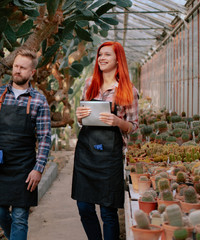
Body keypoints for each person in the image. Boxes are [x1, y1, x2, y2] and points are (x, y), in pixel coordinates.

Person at [0, 49, 51, 240]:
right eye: (16, 66)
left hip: (25, 166)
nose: (17, 71)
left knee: (19, 217)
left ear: (31, 72)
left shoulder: (39, 101)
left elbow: (44, 139)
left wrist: (38, 168)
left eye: (23, 68)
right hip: (0, 164)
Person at [72, 41, 139, 240]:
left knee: (108, 213)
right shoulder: (89, 84)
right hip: (86, 153)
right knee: (84, 207)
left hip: (110, 157)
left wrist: (118, 121)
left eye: (107, 54)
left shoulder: (128, 90)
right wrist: (79, 116)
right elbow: (83, 122)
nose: (101, 58)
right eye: (100, 54)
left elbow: (134, 128)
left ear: (118, 59)